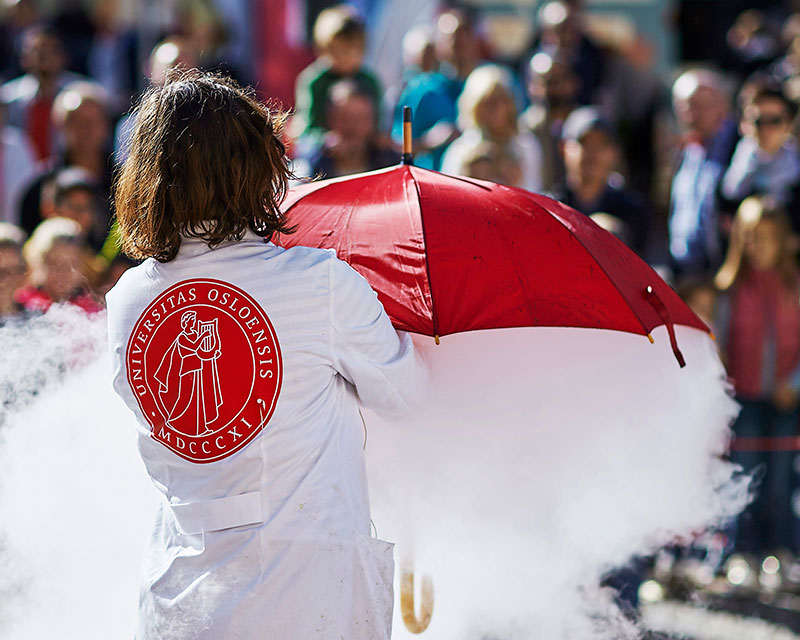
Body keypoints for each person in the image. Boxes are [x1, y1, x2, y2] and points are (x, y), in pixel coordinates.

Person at [106, 69, 420, 639]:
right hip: (307, 599)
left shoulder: (127, 298)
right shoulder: (319, 282)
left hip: (183, 602)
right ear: (257, 169)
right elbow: (408, 397)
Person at [714, 196, 800, 555]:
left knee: (781, 479)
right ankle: (741, 551)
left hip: (786, 399)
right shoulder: (729, 289)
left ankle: (781, 550)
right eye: (750, 236)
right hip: (744, 397)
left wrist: (794, 384)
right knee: (743, 475)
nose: (758, 245)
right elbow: (718, 340)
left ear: (782, 240)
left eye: (766, 236)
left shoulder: (795, 286)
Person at [549, 107, 652, 257]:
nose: (593, 153)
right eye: (584, 143)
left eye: (602, 144)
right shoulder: (549, 208)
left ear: (615, 153)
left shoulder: (633, 212)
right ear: (563, 148)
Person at [668, 69, 739, 277]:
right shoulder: (688, 150)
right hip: (687, 274)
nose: (691, 115)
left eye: (699, 106)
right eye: (683, 108)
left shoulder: (739, 147)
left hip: (724, 273)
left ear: (722, 105)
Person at [442, 64, 543, 193]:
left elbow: (535, 191)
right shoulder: (460, 151)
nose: (496, 108)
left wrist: (515, 182)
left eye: (502, 100)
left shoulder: (525, 146)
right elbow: (450, 195)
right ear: (475, 107)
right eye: (488, 102)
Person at [291, 5, 381, 143]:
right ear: (322, 50)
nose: (345, 57)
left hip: (363, 147)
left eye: (351, 50)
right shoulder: (314, 81)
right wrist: (324, 139)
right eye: (338, 51)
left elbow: (378, 122)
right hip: (327, 148)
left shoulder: (369, 80)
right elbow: (308, 125)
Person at [721, 85, 800, 207]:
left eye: (774, 120)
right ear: (743, 124)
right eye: (758, 121)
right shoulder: (725, 155)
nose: (766, 129)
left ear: (789, 124)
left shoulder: (796, 163)